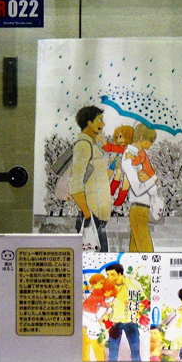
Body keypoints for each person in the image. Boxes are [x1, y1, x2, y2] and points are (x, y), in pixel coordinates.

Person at [68, 105, 111, 252]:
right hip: (91, 217)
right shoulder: (83, 145)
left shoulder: (93, 145)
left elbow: (97, 178)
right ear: (89, 122)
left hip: (97, 217)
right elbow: (75, 183)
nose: (103, 124)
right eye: (99, 120)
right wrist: (87, 215)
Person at [121, 123, 158, 252]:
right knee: (146, 250)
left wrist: (150, 179)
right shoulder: (128, 156)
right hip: (138, 208)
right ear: (141, 138)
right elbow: (137, 189)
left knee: (135, 252)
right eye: (150, 141)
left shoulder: (140, 154)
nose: (151, 145)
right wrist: (153, 179)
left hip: (143, 208)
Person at [105, 263, 146, 362]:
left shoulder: (132, 283)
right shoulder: (108, 285)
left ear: (120, 274)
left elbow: (144, 301)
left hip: (130, 322)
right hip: (115, 322)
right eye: (108, 275)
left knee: (135, 352)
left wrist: (138, 314)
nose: (109, 277)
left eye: (112, 274)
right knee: (112, 354)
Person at [102, 125, 134, 206]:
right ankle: (111, 191)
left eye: (122, 137)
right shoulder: (120, 147)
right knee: (118, 174)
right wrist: (103, 141)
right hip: (120, 166)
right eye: (118, 137)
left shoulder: (131, 149)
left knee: (126, 180)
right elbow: (111, 147)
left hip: (129, 168)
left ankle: (121, 198)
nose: (120, 139)